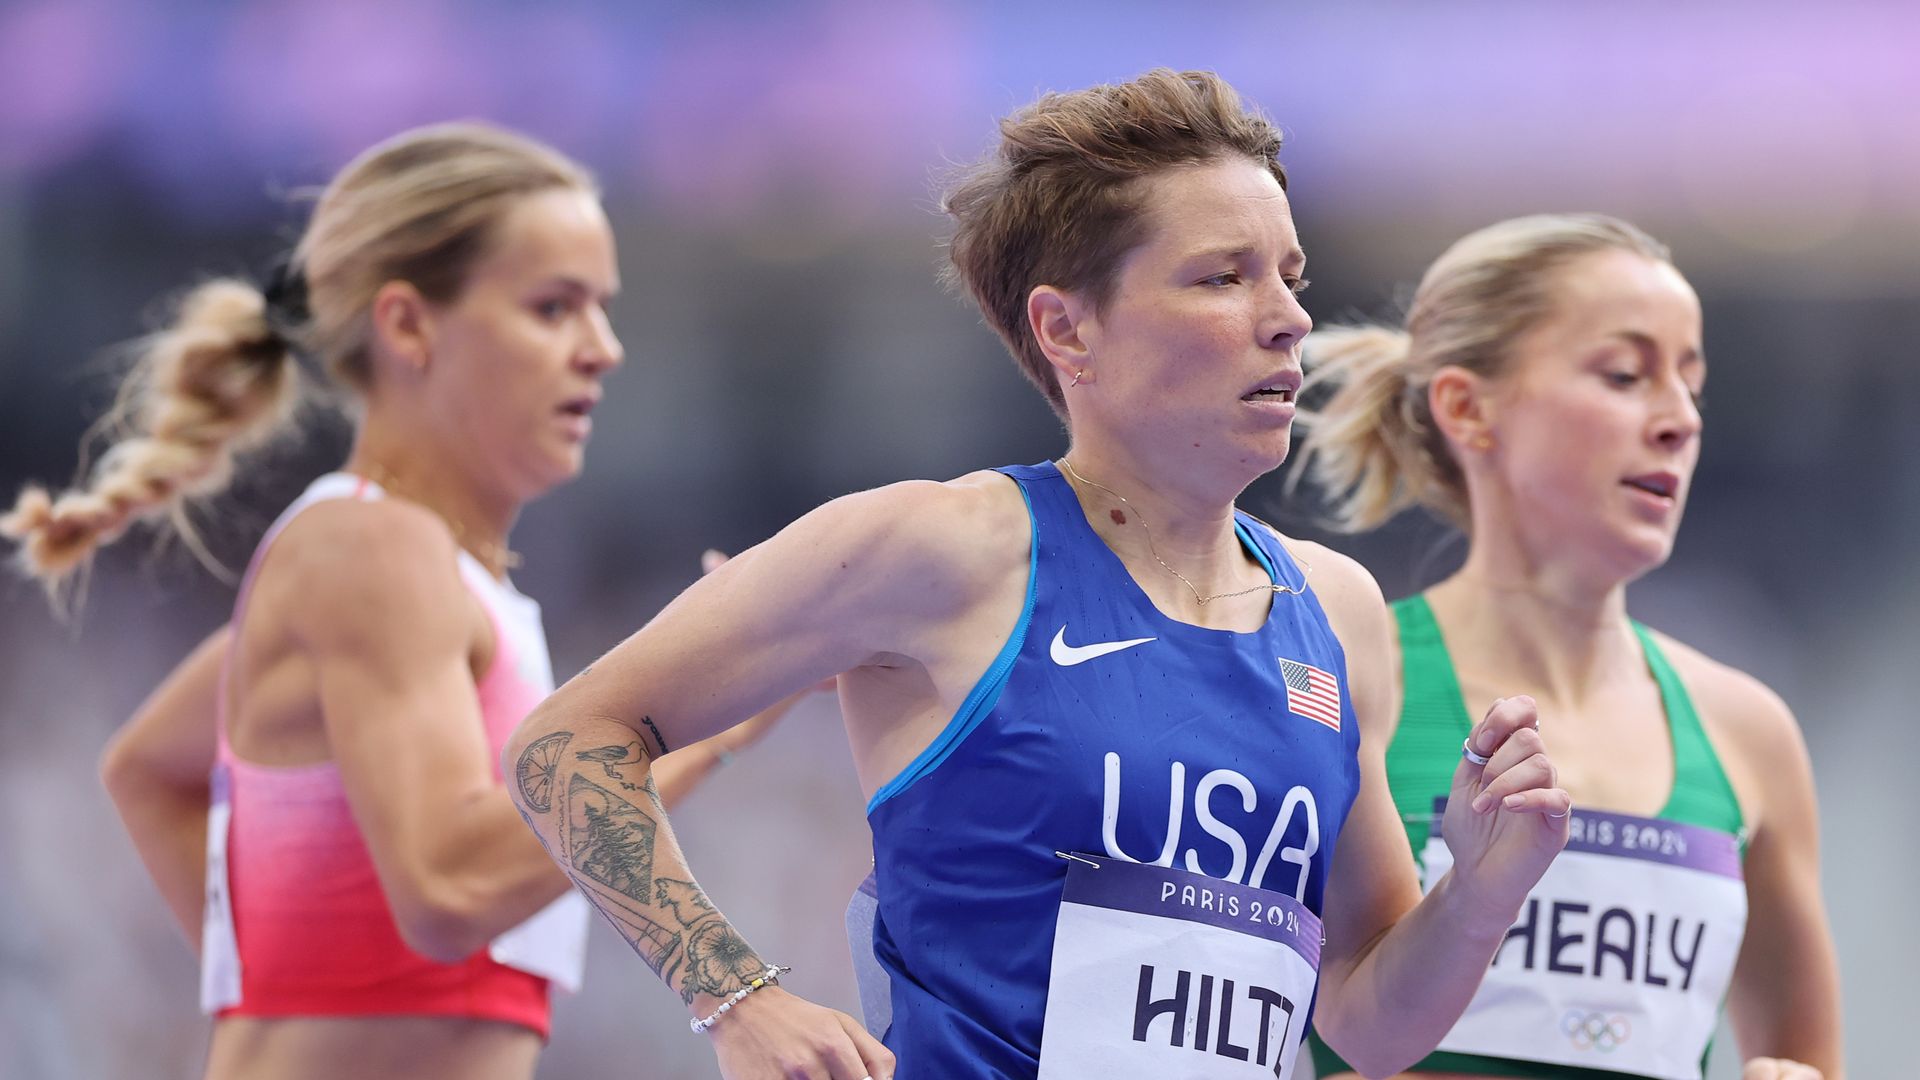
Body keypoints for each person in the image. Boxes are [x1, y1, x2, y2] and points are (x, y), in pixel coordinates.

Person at [503, 69, 1573, 1080]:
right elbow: (569, 741)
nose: (1289, 316)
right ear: (1067, 328)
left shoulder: (1335, 610)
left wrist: (1481, 889)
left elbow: (1367, 1019)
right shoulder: (944, 550)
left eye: (1290, 277)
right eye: (1223, 276)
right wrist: (734, 997)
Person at [0, 122, 800, 1080]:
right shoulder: (373, 551)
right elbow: (449, 886)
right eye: (555, 308)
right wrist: (699, 731)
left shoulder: (424, 573)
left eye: (603, 309)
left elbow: (149, 768)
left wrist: (283, 979)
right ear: (410, 326)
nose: (605, 350)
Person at [1294, 214, 1844, 1080]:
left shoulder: (1747, 730)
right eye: (1625, 375)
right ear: (1470, 408)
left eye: (1692, 387)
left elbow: (1805, 1061)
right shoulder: (1351, 680)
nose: (1679, 421)